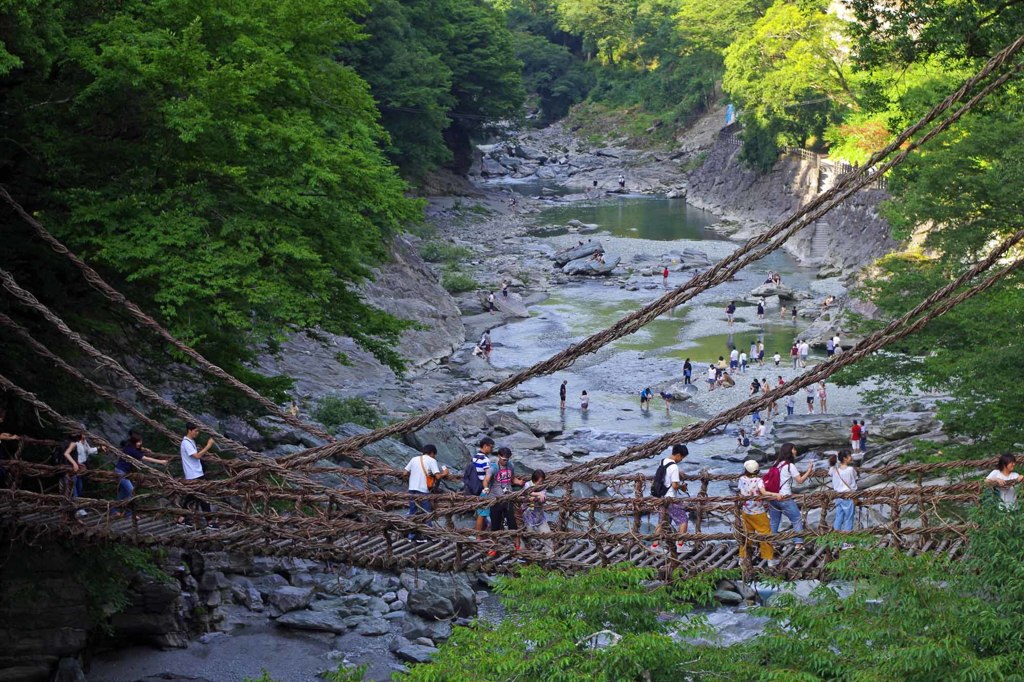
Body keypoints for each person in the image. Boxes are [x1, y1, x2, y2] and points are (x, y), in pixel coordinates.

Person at [767, 443, 814, 550]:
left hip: (773, 497)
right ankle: (798, 543)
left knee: (774, 521)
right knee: (796, 519)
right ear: (789, 451)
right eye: (794, 449)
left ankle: (771, 543)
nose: (795, 451)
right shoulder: (789, 466)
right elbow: (800, 481)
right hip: (785, 498)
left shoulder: (776, 463)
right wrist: (809, 470)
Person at [114, 433, 169, 516]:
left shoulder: (129, 447)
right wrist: (161, 462)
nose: (140, 443)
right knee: (131, 491)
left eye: (140, 442)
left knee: (123, 493)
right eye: (138, 442)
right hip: (121, 473)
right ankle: (129, 513)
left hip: (123, 472)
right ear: (134, 442)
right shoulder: (132, 450)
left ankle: (113, 510)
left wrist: (144, 449)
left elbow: (140, 450)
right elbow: (146, 458)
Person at [738, 460, 782, 564]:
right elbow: (764, 493)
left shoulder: (741, 479)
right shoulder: (758, 481)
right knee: (765, 534)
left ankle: (742, 557)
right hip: (758, 512)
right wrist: (775, 495)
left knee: (746, 535)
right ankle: (769, 558)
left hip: (746, 511)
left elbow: (740, 492)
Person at [486, 447, 526, 555]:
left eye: (507, 459)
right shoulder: (493, 468)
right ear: (498, 456)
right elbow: (486, 480)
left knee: (512, 523)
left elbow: (512, 479)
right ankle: (493, 547)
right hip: (495, 499)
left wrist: (519, 482)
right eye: (504, 459)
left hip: (508, 498)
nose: (505, 461)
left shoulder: (511, 466)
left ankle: (517, 546)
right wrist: (485, 488)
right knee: (495, 525)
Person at [404, 444, 449, 541]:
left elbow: (405, 473)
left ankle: (410, 535)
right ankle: (429, 534)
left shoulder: (414, 459)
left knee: (412, 511)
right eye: (434, 454)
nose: (434, 456)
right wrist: (445, 473)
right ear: (432, 453)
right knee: (427, 512)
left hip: (412, 489)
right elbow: (437, 477)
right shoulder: (432, 460)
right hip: (423, 490)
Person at [653, 444, 689, 552]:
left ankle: (655, 546)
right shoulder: (674, 467)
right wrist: (682, 487)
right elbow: (674, 485)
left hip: (661, 497)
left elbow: (666, 474)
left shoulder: (663, 461)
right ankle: (680, 545)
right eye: (682, 457)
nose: (681, 460)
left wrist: (678, 473)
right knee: (683, 520)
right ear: (678, 455)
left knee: (662, 522)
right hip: (671, 499)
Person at [179, 423, 216, 525]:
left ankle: (181, 519)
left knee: (192, 497)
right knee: (202, 497)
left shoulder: (191, 441)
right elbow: (196, 456)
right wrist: (208, 445)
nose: (197, 433)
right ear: (189, 430)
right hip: (193, 474)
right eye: (196, 431)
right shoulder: (186, 443)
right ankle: (210, 522)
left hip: (196, 473)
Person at [62, 432, 103, 516]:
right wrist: (74, 463)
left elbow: (88, 450)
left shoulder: (84, 442)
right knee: (74, 489)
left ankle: (75, 509)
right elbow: (67, 454)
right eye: (83, 433)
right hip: (73, 469)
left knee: (79, 488)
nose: (85, 434)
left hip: (80, 469)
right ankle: (78, 509)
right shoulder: (74, 442)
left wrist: (99, 448)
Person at [829, 449, 857, 544]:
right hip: (848, 497)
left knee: (839, 517)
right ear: (845, 458)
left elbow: (830, 471)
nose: (851, 457)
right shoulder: (850, 469)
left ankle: (835, 540)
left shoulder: (834, 469)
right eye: (849, 456)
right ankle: (847, 542)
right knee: (848, 518)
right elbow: (853, 483)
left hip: (838, 497)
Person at [522, 469, 553, 551]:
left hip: (539, 515)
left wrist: (538, 496)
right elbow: (527, 493)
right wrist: (538, 494)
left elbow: (542, 497)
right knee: (531, 537)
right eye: (540, 481)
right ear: (534, 480)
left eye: (542, 481)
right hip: (528, 516)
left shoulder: (542, 487)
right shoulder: (527, 484)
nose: (541, 483)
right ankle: (532, 555)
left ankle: (550, 554)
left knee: (547, 534)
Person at [473, 437, 495, 533]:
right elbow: (487, 476)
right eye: (491, 447)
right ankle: (478, 535)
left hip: (474, 486)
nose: (492, 449)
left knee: (481, 512)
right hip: (483, 488)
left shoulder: (475, 457)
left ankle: (481, 532)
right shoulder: (485, 460)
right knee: (483, 513)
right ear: (485, 446)